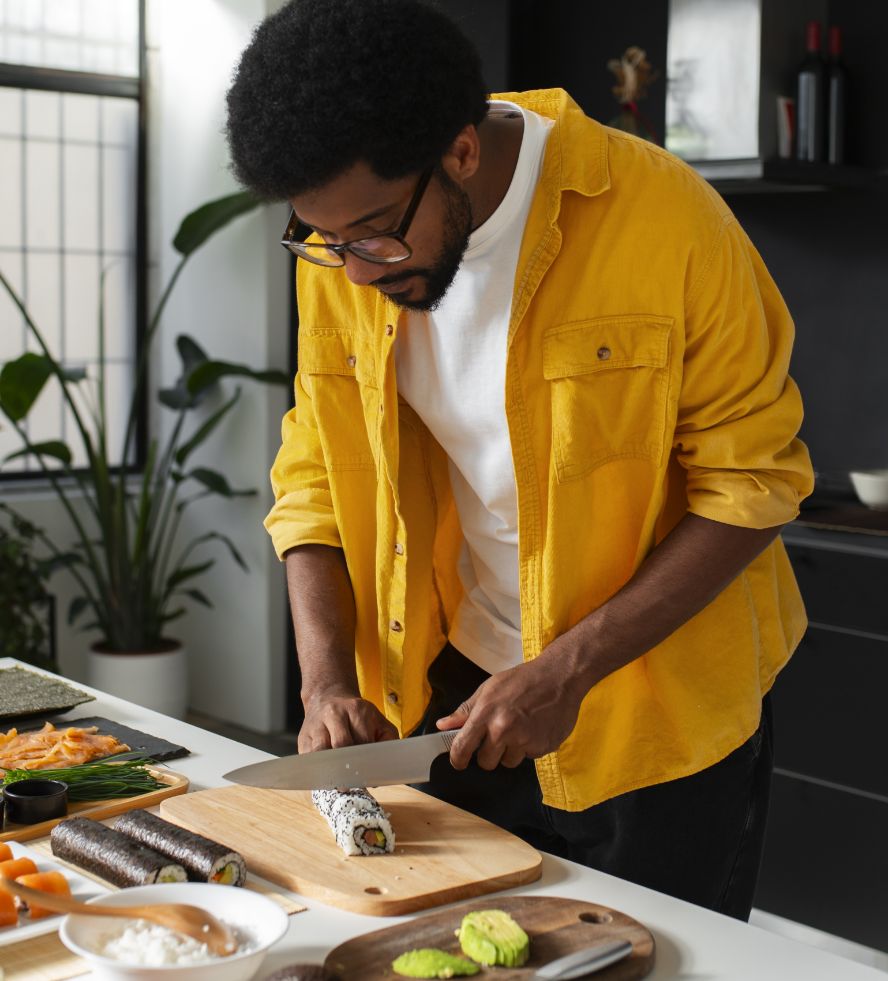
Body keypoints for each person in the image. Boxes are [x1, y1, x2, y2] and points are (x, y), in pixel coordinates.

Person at [225, 0, 814, 919]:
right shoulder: (348, 253)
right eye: (323, 241)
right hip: (456, 697)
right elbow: (312, 475)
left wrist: (568, 670)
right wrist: (327, 678)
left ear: (461, 151)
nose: (357, 272)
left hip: (653, 707)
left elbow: (755, 484)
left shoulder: (666, 220)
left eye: (375, 232)